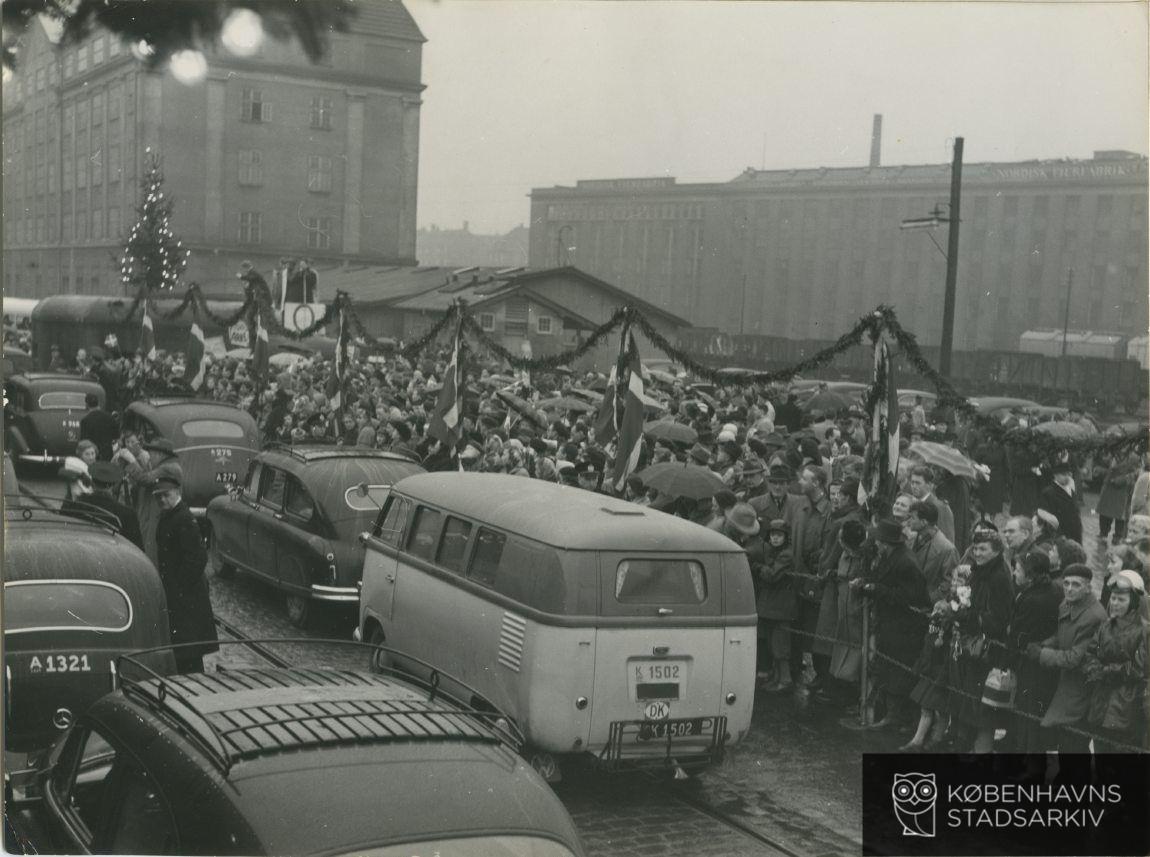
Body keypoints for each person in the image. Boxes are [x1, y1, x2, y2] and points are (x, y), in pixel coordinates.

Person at [1024, 563, 1107, 782]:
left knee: (1074, 742)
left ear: (1088, 588)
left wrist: (1042, 654)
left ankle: (1075, 787)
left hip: (1080, 690)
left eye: (1076, 585)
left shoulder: (1093, 616)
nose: (1069, 588)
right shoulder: (1067, 604)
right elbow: (1061, 638)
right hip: (1065, 686)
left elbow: (1073, 658)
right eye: (1067, 583)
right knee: (1064, 739)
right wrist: (1044, 644)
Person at [854, 518, 930, 730]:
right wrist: (867, 585)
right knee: (889, 667)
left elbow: (911, 597)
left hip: (905, 627)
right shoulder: (894, 557)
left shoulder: (905, 562)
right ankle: (891, 713)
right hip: (892, 624)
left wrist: (875, 589)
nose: (875, 543)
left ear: (885, 542)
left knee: (898, 670)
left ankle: (897, 716)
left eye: (878, 540)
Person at [948, 531, 1013, 753]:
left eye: (983, 549)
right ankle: (963, 742)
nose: (977, 553)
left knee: (978, 702)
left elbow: (999, 617)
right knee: (968, 696)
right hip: (973, 642)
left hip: (986, 648)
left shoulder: (999, 576)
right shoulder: (981, 570)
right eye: (975, 549)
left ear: (996, 550)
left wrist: (969, 615)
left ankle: (973, 748)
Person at [153, 475, 219, 674]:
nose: (162, 500)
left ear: (178, 493)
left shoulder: (183, 518)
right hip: (180, 593)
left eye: (166, 495)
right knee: (185, 649)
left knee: (189, 651)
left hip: (186, 596)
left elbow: (198, 558)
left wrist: (179, 588)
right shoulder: (172, 515)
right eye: (158, 497)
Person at [1006, 550, 1063, 778]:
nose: (1014, 573)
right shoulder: (1053, 590)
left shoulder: (1031, 598)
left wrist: (1011, 635)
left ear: (1030, 575)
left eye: (1017, 570)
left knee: (1028, 714)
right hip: (1044, 664)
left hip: (1031, 664)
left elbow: (1017, 635)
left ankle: (1031, 767)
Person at [1082, 570, 1148, 763]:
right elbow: (1090, 653)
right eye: (1114, 598)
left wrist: (1106, 671)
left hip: (1126, 707)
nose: (1115, 604)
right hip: (1101, 703)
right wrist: (1095, 668)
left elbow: (1139, 667)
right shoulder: (1105, 626)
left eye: (1122, 599)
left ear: (1134, 602)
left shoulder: (1144, 631)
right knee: (1101, 757)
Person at [756, 519, 796, 692]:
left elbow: (772, 575)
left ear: (785, 537)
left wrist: (758, 568)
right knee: (774, 644)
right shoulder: (774, 552)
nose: (775, 538)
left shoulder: (786, 554)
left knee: (781, 646)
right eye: (773, 535)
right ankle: (778, 677)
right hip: (774, 606)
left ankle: (785, 680)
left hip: (781, 606)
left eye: (779, 535)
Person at [82, 461, 145, 550]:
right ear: (113, 485)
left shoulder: (78, 504)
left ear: (92, 482)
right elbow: (137, 549)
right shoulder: (126, 513)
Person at [908, 500, 959, 603]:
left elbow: (948, 585)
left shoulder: (947, 549)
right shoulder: (912, 539)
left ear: (924, 522)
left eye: (912, 518)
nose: (909, 521)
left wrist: (927, 600)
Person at [1097, 452, 1139, 546]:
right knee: (1104, 513)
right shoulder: (1113, 453)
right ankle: (1103, 533)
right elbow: (1107, 469)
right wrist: (1101, 471)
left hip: (1122, 491)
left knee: (1120, 517)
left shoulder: (1133, 457)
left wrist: (1121, 480)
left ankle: (1117, 538)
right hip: (1108, 488)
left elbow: (1136, 473)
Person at [907, 465, 956, 544]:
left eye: (918, 483)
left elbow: (948, 541)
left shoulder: (940, 507)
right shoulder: (912, 503)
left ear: (929, 485)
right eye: (912, 482)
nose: (914, 486)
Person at [1038, 461, 1082, 544]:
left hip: (1075, 536)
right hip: (1061, 537)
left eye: (1069, 474)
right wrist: (1058, 536)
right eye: (1064, 474)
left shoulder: (1071, 490)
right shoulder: (1048, 493)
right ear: (1055, 475)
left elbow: (1076, 513)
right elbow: (1047, 518)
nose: (1067, 477)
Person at [79, 392, 118, 461]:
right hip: (108, 455)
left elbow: (84, 442)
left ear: (86, 405)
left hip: (93, 456)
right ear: (98, 403)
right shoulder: (109, 418)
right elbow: (116, 436)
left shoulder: (85, 421)